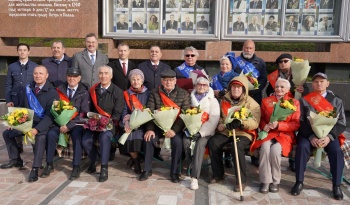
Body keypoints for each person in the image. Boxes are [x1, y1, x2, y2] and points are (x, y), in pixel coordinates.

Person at [291, 73, 346, 200]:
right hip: (308, 134)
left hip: (328, 136)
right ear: (312, 84)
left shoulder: (336, 100)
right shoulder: (304, 99)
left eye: (322, 81)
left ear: (327, 83)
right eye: (316, 82)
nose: (319, 84)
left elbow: (342, 122)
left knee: (337, 151)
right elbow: (300, 121)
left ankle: (336, 185)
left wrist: (329, 137)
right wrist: (311, 137)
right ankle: (299, 182)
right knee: (302, 147)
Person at [1, 65, 58, 183]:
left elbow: (50, 115)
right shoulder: (27, 89)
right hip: (28, 123)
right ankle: (15, 159)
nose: (38, 76)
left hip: (43, 125)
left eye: (41, 73)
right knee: (7, 133)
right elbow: (22, 108)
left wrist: (37, 129)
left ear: (46, 76)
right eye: (35, 73)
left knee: (40, 138)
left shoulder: (53, 93)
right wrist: (14, 122)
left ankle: (35, 168)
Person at [207, 75, 260, 192]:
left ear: (243, 89)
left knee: (237, 146)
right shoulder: (224, 100)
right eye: (234, 87)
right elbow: (219, 116)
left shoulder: (252, 104)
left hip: (243, 132)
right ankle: (218, 174)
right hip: (226, 131)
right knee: (213, 142)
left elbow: (255, 122)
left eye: (239, 87)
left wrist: (241, 122)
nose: (236, 89)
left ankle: (241, 180)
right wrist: (220, 124)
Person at [139, 69, 191, 182]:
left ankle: (174, 172)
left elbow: (185, 115)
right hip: (158, 127)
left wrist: (174, 130)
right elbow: (150, 112)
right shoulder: (154, 93)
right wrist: (150, 129)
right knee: (148, 139)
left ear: (175, 81)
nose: (168, 83)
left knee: (177, 142)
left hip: (175, 128)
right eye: (166, 80)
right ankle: (147, 169)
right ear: (161, 81)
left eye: (171, 80)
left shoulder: (184, 94)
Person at [252, 78, 300, 194]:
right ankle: (265, 180)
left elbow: (296, 124)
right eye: (277, 86)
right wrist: (265, 126)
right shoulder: (266, 101)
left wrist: (279, 125)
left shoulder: (294, 103)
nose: (279, 89)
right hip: (269, 133)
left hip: (285, 135)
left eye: (282, 87)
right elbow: (262, 119)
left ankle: (275, 181)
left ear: (288, 89)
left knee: (275, 150)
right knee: (264, 148)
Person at [42, 67, 90, 180]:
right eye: (69, 76)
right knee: (51, 135)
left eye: (74, 76)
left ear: (79, 78)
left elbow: (84, 113)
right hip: (59, 123)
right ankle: (49, 164)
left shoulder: (84, 92)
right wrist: (60, 123)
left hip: (76, 124)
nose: (71, 78)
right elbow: (54, 108)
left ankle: (76, 166)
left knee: (77, 136)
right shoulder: (59, 90)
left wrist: (68, 126)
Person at [82, 65, 124, 182]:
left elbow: (117, 114)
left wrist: (105, 123)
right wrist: (91, 121)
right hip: (93, 124)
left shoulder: (117, 92)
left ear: (111, 76)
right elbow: (88, 109)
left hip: (110, 125)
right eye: (101, 73)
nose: (103, 76)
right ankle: (95, 159)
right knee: (86, 141)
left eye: (106, 73)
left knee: (104, 138)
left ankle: (104, 168)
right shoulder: (93, 90)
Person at [183, 72, 220, 190]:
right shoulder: (189, 98)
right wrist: (191, 129)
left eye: (204, 85)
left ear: (208, 87)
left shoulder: (213, 101)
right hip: (191, 129)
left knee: (199, 145)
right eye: (199, 85)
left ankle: (194, 178)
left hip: (206, 132)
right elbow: (185, 114)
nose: (202, 87)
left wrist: (200, 133)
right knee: (185, 142)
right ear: (195, 86)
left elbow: (213, 120)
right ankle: (191, 163)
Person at [138, 45, 171, 160]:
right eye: (152, 51)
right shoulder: (141, 67)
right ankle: (143, 153)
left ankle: (156, 153)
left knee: (159, 126)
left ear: (161, 54)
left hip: (162, 103)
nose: (154, 53)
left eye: (157, 51)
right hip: (145, 101)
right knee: (145, 126)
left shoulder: (166, 67)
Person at [5, 43, 37, 153]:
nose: (22, 52)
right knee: (17, 123)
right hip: (16, 100)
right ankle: (18, 146)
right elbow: (8, 85)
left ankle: (34, 147)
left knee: (30, 124)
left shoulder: (34, 66)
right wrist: (8, 100)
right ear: (17, 52)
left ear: (29, 52)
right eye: (20, 50)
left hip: (29, 101)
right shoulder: (12, 67)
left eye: (24, 50)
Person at [121, 69, 149, 174]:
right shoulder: (126, 94)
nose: (136, 81)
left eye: (138, 79)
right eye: (133, 79)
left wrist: (133, 116)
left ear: (142, 81)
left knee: (137, 139)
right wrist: (126, 122)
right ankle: (136, 162)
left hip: (143, 124)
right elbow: (124, 111)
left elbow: (148, 109)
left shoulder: (148, 93)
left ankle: (135, 158)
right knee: (127, 136)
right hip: (129, 124)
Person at [235, 40, 267, 105]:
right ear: (243, 48)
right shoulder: (235, 61)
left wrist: (254, 90)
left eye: (250, 48)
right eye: (246, 48)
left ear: (254, 49)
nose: (248, 50)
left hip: (255, 96)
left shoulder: (261, 62)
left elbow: (263, 79)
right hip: (239, 95)